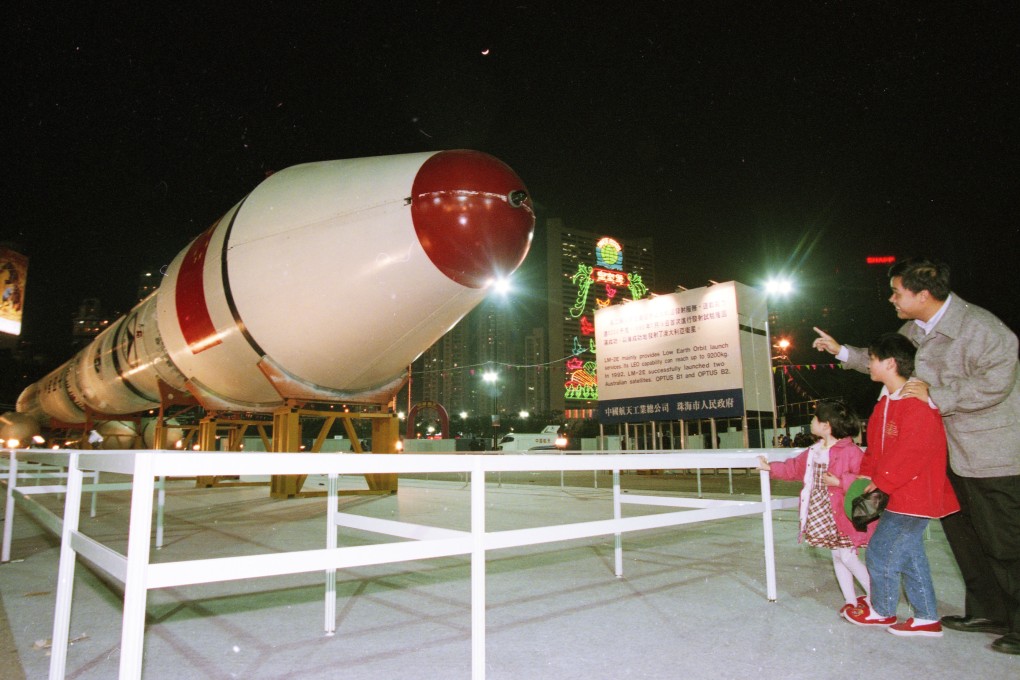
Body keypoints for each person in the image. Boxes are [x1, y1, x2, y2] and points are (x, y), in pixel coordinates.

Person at [813, 257, 1020, 653]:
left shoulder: (981, 328)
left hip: (990, 453)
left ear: (923, 294)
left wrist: (936, 396)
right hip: (946, 455)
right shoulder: (915, 330)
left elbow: (998, 381)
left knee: (1007, 541)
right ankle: (989, 611)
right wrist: (842, 352)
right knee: (967, 539)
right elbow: (889, 362)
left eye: (897, 292)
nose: (891, 299)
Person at [841, 334, 959, 636]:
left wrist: (882, 481)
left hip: (915, 495)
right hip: (897, 494)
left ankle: (882, 611)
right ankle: (926, 617)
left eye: (872, 359)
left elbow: (914, 453)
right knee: (909, 554)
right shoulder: (885, 404)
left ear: (890, 363)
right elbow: (876, 450)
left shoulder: (916, 405)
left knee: (881, 550)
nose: (868, 364)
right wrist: (867, 475)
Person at [758, 399, 874, 615]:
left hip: (844, 514)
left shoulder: (851, 451)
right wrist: (770, 467)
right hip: (826, 513)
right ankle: (851, 601)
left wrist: (841, 483)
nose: (811, 421)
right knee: (838, 557)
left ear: (826, 425)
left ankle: (876, 597)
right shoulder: (814, 451)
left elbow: (865, 481)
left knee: (847, 556)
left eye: (815, 418)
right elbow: (793, 469)